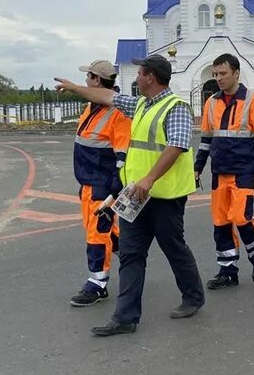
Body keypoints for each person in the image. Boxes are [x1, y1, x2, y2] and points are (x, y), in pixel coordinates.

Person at [54, 55, 205, 335]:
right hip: (135, 196)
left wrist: (149, 178)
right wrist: (75, 88)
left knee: (174, 248)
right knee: (132, 254)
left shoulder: (176, 108)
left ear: (151, 77)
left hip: (165, 197)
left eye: (139, 72)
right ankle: (125, 317)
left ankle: (193, 296)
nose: (136, 77)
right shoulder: (140, 105)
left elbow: (178, 145)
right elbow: (107, 96)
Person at [194, 54, 254, 289]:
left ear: (236, 73)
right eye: (215, 74)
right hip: (219, 171)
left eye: (223, 74)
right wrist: (197, 167)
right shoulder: (211, 103)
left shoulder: (253, 101)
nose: (218, 78)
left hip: (244, 171)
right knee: (220, 221)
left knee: (240, 217)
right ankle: (228, 271)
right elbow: (206, 141)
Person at [67, 60, 131, 307]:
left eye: (88, 77)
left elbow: (122, 156)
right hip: (89, 182)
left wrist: (114, 190)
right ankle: (131, 257)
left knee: (97, 234)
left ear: (97, 80)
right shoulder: (92, 107)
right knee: (102, 231)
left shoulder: (118, 113)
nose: (85, 81)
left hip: (102, 184)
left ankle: (97, 283)